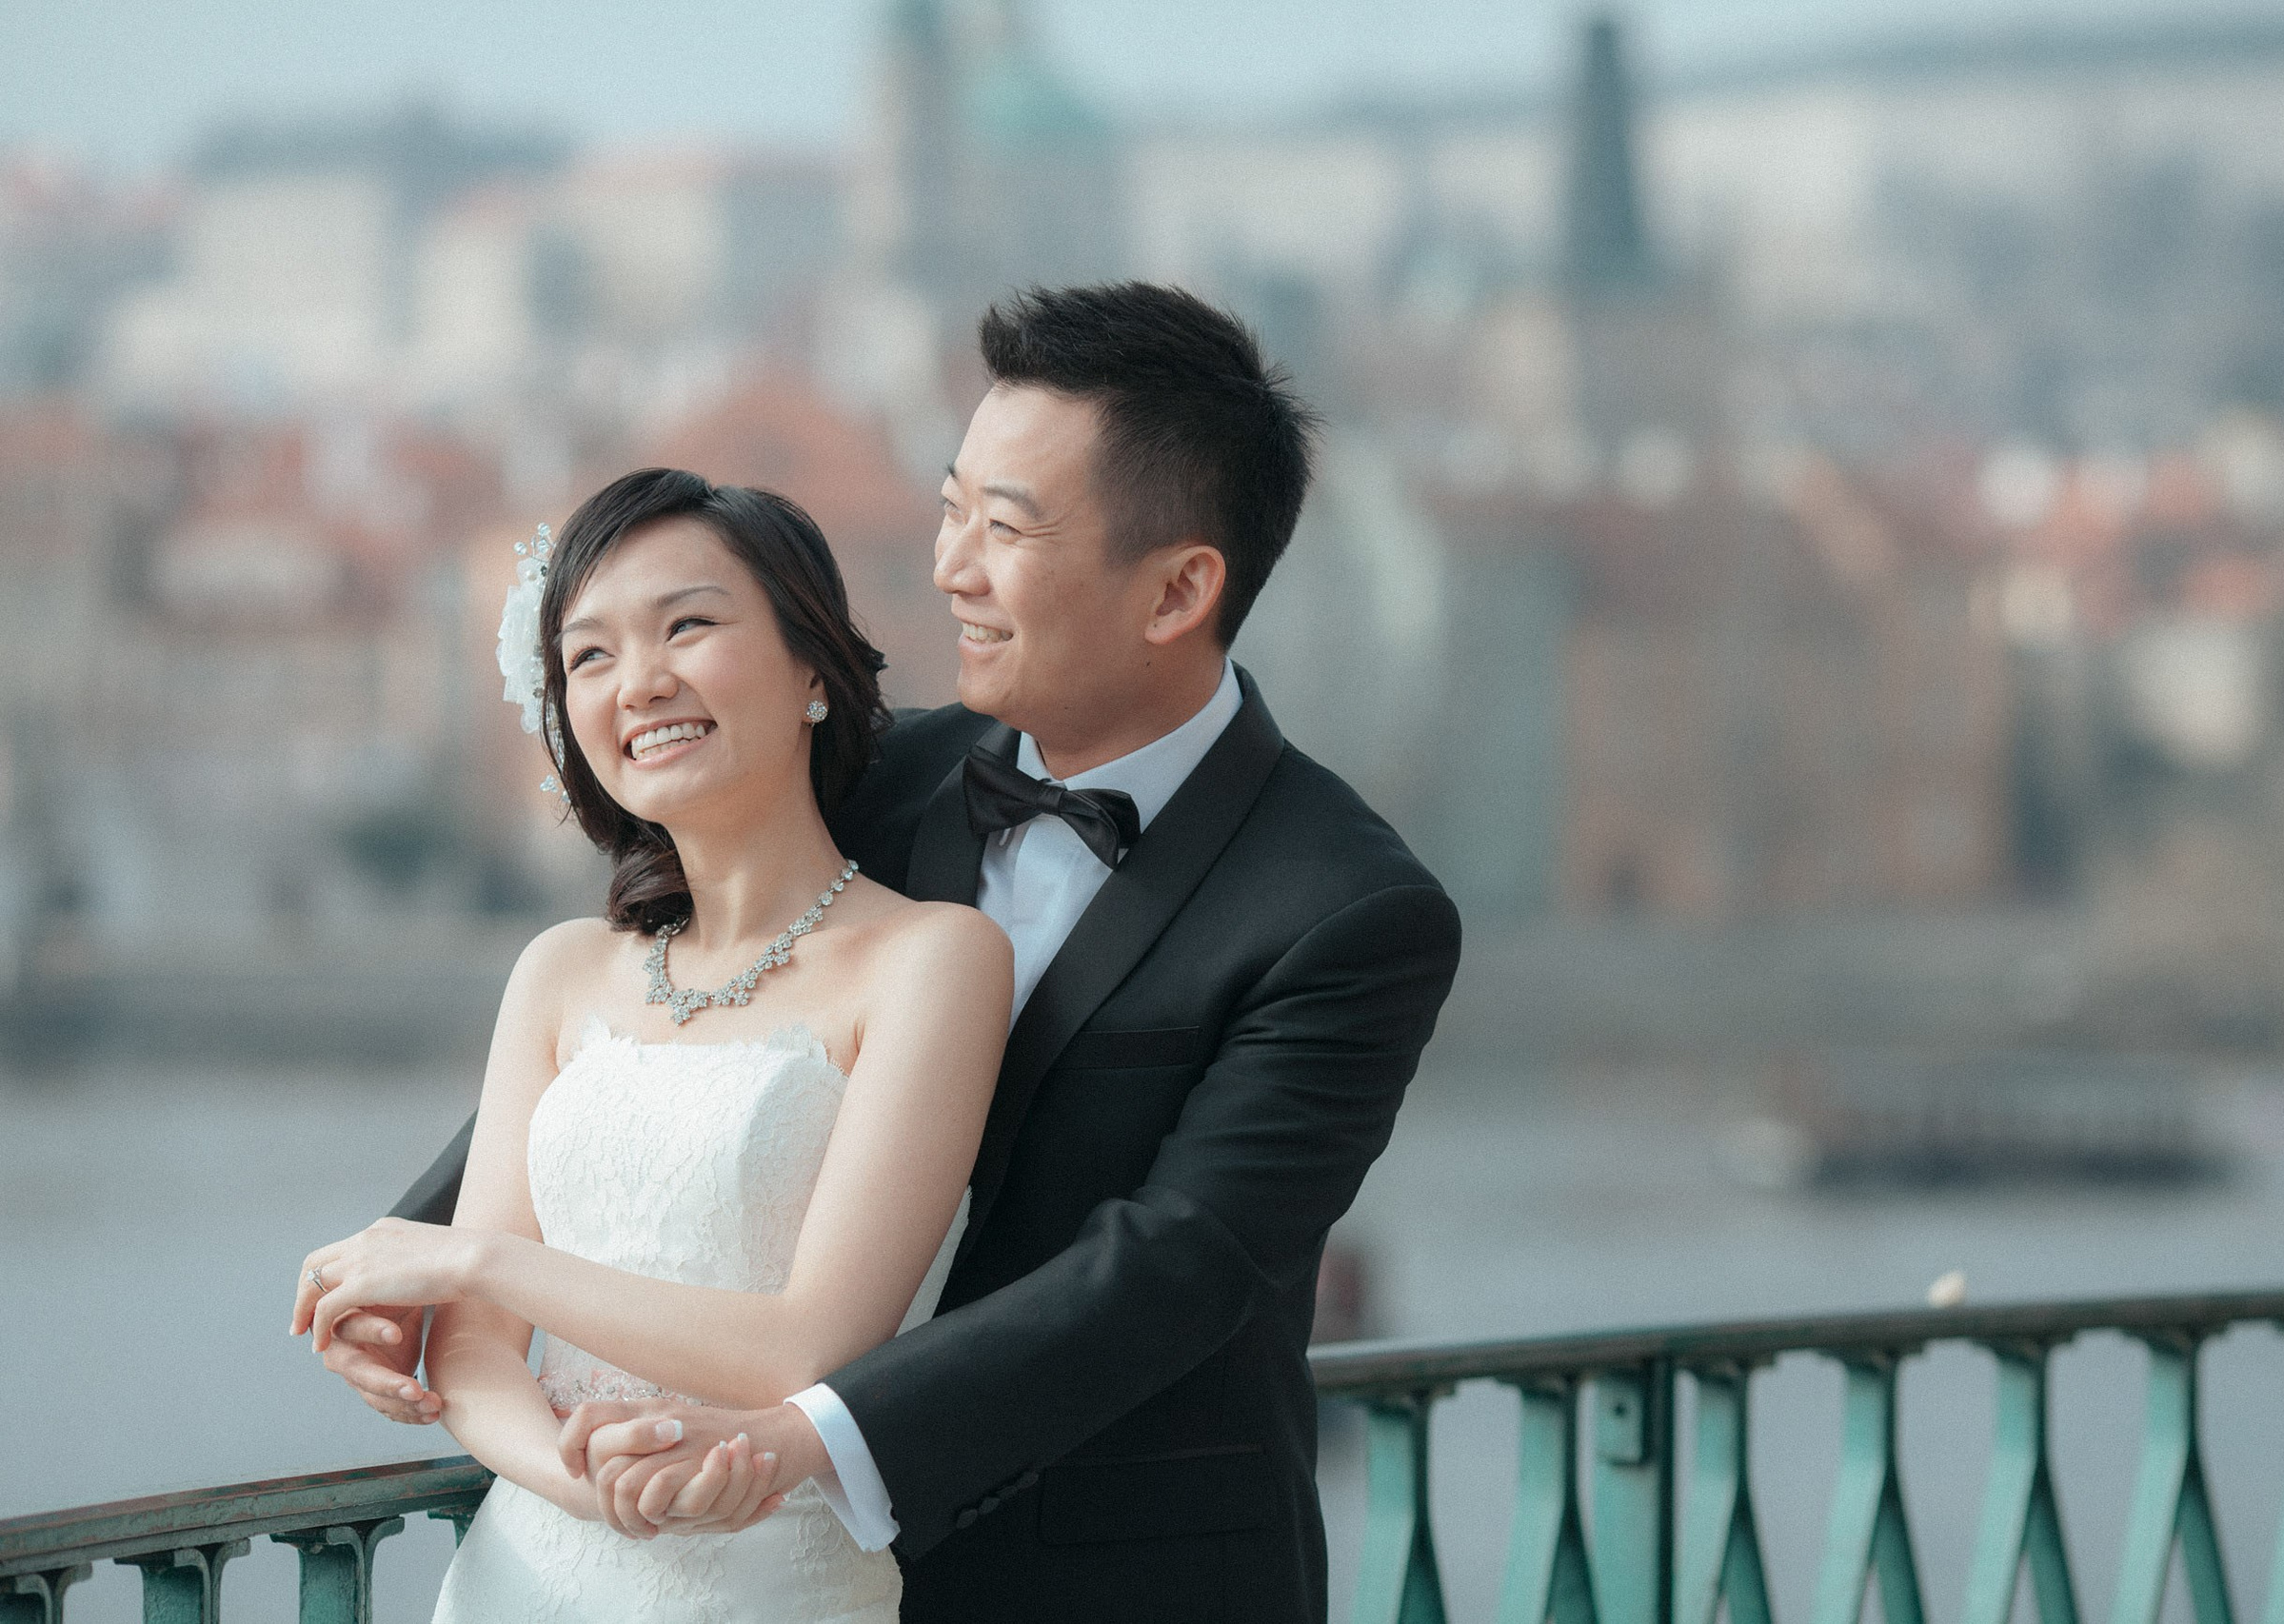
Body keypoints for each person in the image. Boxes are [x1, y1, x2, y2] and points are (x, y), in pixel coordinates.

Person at [322, 282, 1462, 1624]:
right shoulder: (876, 771)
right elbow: (661, 1028)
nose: (951, 567)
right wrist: (421, 1248)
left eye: (1009, 528)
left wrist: (811, 1439)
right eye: (951, 507)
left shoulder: (1349, 907)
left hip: (1119, 1572)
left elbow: (1171, 1263)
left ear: (1179, 589)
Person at [294, 467, 1012, 1622]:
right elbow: (471, 1360)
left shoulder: (936, 959)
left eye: (688, 625)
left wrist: (475, 1261)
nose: (641, 682)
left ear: (812, 667)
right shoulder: (560, 971)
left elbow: (813, 1340)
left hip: (773, 1576)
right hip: (524, 1572)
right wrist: (592, 1489)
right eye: (589, 656)